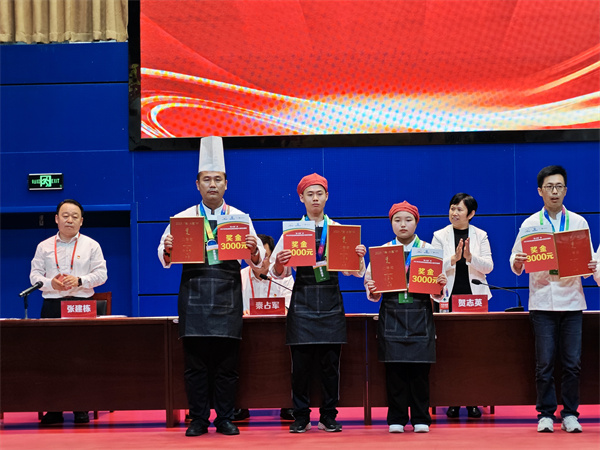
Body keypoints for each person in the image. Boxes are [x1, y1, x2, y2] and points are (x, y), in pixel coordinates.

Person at [158, 136, 265, 437]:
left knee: (227, 365)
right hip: (194, 298)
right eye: (207, 180)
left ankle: (225, 418)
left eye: (218, 179)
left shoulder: (240, 218)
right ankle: (198, 419)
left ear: (226, 184)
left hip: (228, 298)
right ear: (197, 184)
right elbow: (164, 258)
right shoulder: (183, 218)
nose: (213, 185)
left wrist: (253, 249)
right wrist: (168, 247)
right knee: (195, 365)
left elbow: (258, 261)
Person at [271, 173, 366, 433]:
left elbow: (355, 273)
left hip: (331, 302)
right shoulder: (292, 231)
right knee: (300, 366)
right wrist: (278, 262)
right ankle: (301, 415)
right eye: (310, 194)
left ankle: (328, 416)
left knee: (330, 366)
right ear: (301, 198)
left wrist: (358, 257)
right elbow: (276, 272)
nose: (315, 198)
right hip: (302, 301)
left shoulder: (338, 230)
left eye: (319, 194)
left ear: (327, 197)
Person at [510, 165, 597, 433]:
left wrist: (591, 266)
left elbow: (589, 263)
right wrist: (518, 261)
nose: (554, 191)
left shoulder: (579, 222)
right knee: (544, 363)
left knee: (572, 363)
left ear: (566, 190)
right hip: (542, 301)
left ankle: (570, 414)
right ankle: (545, 414)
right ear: (540, 191)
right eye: (549, 187)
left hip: (572, 301)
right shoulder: (530, 224)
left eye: (559, 186)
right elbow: (515, 261)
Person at [365, 201, 447, 433]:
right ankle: (397, 418)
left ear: (416, 223)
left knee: (420, 372)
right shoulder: (382, 252)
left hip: (420, 315)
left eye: (408, 220)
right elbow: (372, 291)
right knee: (395, 372)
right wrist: (372, 289)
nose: (403, 225)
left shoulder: (429, 251)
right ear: (391, 223)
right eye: (397, 220)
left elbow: (439, 294)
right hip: (392, 316)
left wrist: (440, 285)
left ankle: (421, 418)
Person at [30, 199, 108, 425]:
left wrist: (80, 280)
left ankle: (80, 407)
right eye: (65, 216)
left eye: (75, 216)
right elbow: (34, 276)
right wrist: (50, 283)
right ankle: (54, 409)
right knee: (51, 358)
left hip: (81, 305)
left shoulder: (91, 245)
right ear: (56, 219)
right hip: (52, 305)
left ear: (81, 221)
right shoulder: (44, 246)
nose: (70, 220)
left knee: (80, 357)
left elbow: (102, 275)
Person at [431, 193, 493, 419]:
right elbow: (433, 266)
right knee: (450, 353)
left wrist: (469, 257)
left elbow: (488, 267)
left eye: (459, 209)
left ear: (471, 214)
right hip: (447, 300)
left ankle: (473, 400)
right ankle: (453, 400)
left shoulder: (481, 235)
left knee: (473, 352)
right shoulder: (439, 236)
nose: (454, 213)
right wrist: (453, 259)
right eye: (452, 208)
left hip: (474, 300)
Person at [233, 233, 295, 422]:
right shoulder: (238, 276)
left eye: (267, 256)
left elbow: (290, 305)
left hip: (277, 335)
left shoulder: (283, 276)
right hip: (246, 336)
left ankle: (288, 404)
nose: (262, 261)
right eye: (257, 255)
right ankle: (239, 405)